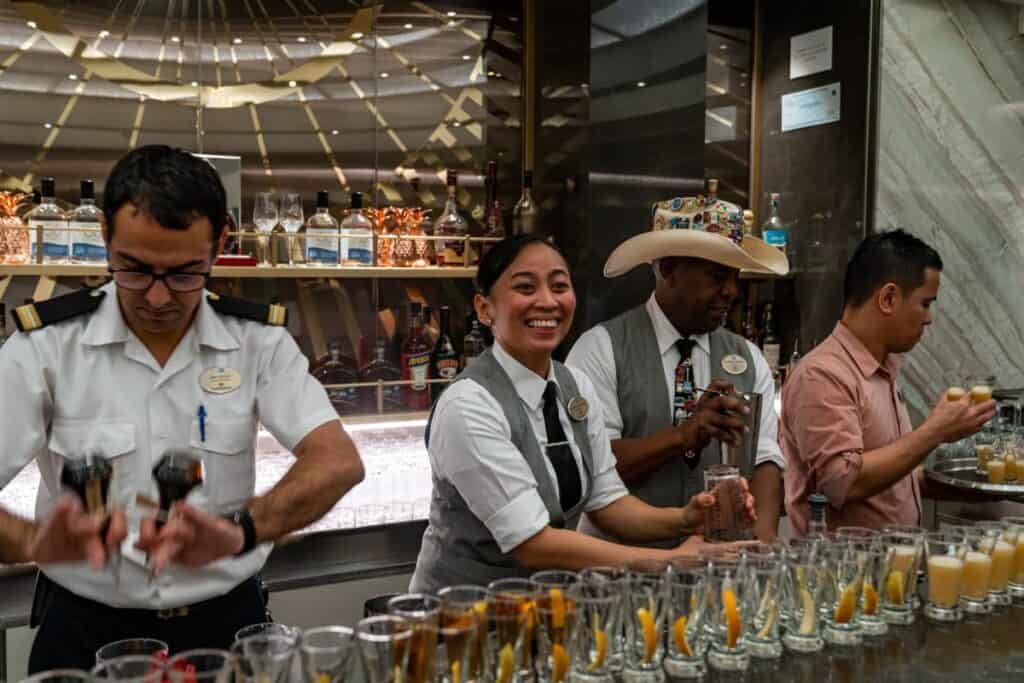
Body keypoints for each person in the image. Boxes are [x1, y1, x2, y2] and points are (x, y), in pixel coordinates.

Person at [0, 145, 365, 670]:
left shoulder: (256, 341)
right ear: (105, 237)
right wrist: (34, 541)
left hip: (226, 626)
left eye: (184, 273)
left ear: (221, 243)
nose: (155, 297)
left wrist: (242, 529)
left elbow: (337, 461)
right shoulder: (46, 346)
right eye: (134, 269)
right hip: (86, 629)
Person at [410, 234, 756, 593]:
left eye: (559, 286)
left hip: (541, 613)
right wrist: (666, 561)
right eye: (526, 288)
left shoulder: (573, 385)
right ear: (485, 309)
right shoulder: (468, 405)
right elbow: (532, 543)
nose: (547, 301)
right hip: (458, 620)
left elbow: (607, 501)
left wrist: (686, 518)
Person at [567, 194, 789, 543]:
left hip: (718, 577)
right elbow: (591, 466)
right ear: (668, 269)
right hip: (624, 573)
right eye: (717, 276)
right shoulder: (601, 349)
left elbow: (765, 460)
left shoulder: (747, 356)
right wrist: (683, 436)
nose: (731, 290)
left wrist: (759, 551)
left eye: (735, 276)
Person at [782, 230, 996, 534]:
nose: (929, 318)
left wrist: (977, 484)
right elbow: (843, 481)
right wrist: (936, 430)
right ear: (888, 298)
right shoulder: (823, 375)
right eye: (925, 304)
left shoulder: (883, 369)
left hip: (892, 572)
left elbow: (890, 482)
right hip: (844, 576)